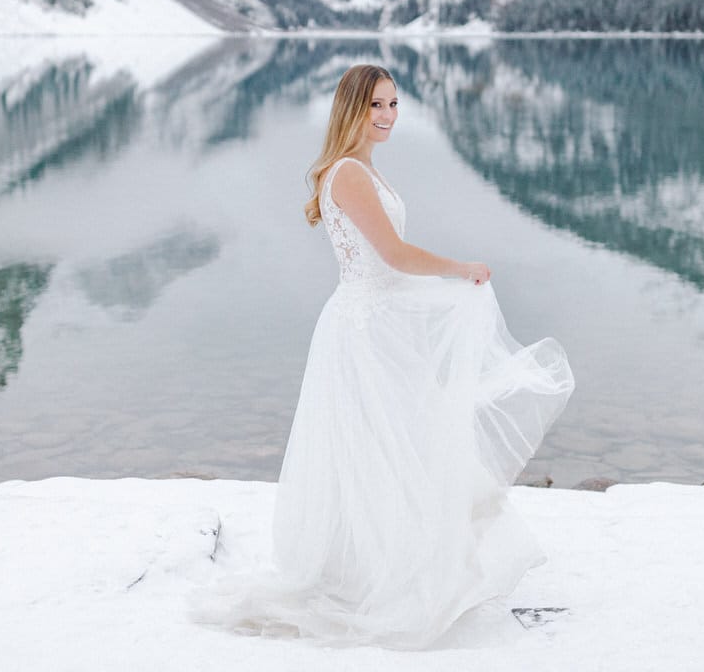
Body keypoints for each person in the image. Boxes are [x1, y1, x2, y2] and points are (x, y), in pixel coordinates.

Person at [191, 63, 574, 649]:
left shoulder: (363, 170)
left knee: (392, 446)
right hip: (361, 332)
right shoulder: (348, 174)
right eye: (376, 105)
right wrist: (459, 269)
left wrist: (444, 293)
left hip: (377, 325)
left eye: (394, 103)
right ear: (351, 108)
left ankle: (392, 564)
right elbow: (391, 256)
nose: (388, 115)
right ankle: (369, 575)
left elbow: (384, 268)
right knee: (380, 446)